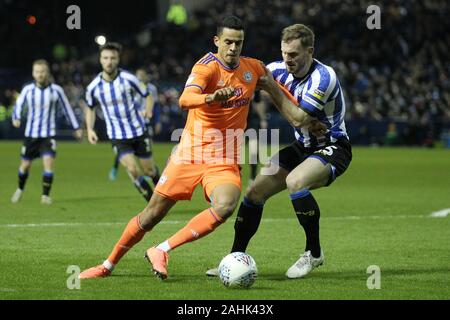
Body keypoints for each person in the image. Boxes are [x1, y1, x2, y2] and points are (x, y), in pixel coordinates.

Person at [78, 16, 319, 281]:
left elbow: (280, 91)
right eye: (227, 41)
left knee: (226, 205)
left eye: (238, 42)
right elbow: (185, 98)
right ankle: (107, 265)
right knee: (151, 215)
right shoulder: (206, 67)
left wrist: (309, 120)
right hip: (190, 154)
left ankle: (161, 249)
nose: (233, 48)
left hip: (224, 158)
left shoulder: (254, 69)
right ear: (217, 41)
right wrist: (211, 97)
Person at [206, 24, 352, 279]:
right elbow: (237, 75)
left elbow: (298, 119)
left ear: (310, 51)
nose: (287, 59)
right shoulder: (275, 69)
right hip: (301, 147)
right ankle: (233, 258)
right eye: (284, 53)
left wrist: (271, 88)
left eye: (294, 54)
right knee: (254, 192)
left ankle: (313, 252)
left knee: (296, 181)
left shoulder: (323, 77)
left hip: (332, 146)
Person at [84, 43, 159, 201]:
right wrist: (90, 129)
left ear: (118, 60)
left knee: (150, 171)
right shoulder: (93, 87)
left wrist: (149, 110)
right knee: (132, 170)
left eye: (112, 58)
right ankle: (153, 204)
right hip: (117, 136)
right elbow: (90, 108)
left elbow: (148, 95)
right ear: (100, 60)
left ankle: (164, 194)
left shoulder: (129, 79)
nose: (109, 61)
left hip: (138, 130)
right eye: (105, 58)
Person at [10, 60, 82, 204]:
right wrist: (16, 118)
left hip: (48, 135)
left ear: (47, 73)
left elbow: (67, 108)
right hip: (31, 135)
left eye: (42, 71)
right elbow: (19, 105)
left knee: (48, 163)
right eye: (37, 72)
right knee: (25, 166)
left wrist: (76, 127)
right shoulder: (28, 90)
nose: (40, 74)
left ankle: (45, 196)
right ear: (33, 73)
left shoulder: (56, 90)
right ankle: (20, 189)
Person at [108, 68, 162, 183]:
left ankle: (149, 170)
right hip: (132, 122)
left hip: (146, 121)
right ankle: (115, 168)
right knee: (124, 148)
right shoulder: (131, 85)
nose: (140, 77)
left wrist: (157, 120)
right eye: (138, 75)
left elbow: (156, 105)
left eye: (142, 75)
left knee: (147, 146)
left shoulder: (152, 89)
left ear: (146, 76)